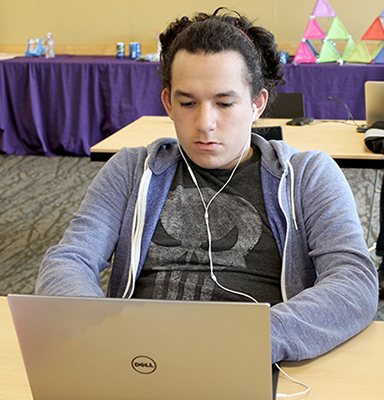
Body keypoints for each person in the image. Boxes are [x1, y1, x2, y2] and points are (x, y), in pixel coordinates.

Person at [35, 8, 378, 365]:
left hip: (249, 355)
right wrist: (100, 329)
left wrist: (261, 337)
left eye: (225, 103)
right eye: (187, 103)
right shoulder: (132, 169)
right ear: (168, 102)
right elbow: (69, 259)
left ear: (257, 104)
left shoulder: (308, 175)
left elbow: (353, 282)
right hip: (140, 358)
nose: (205, 124)